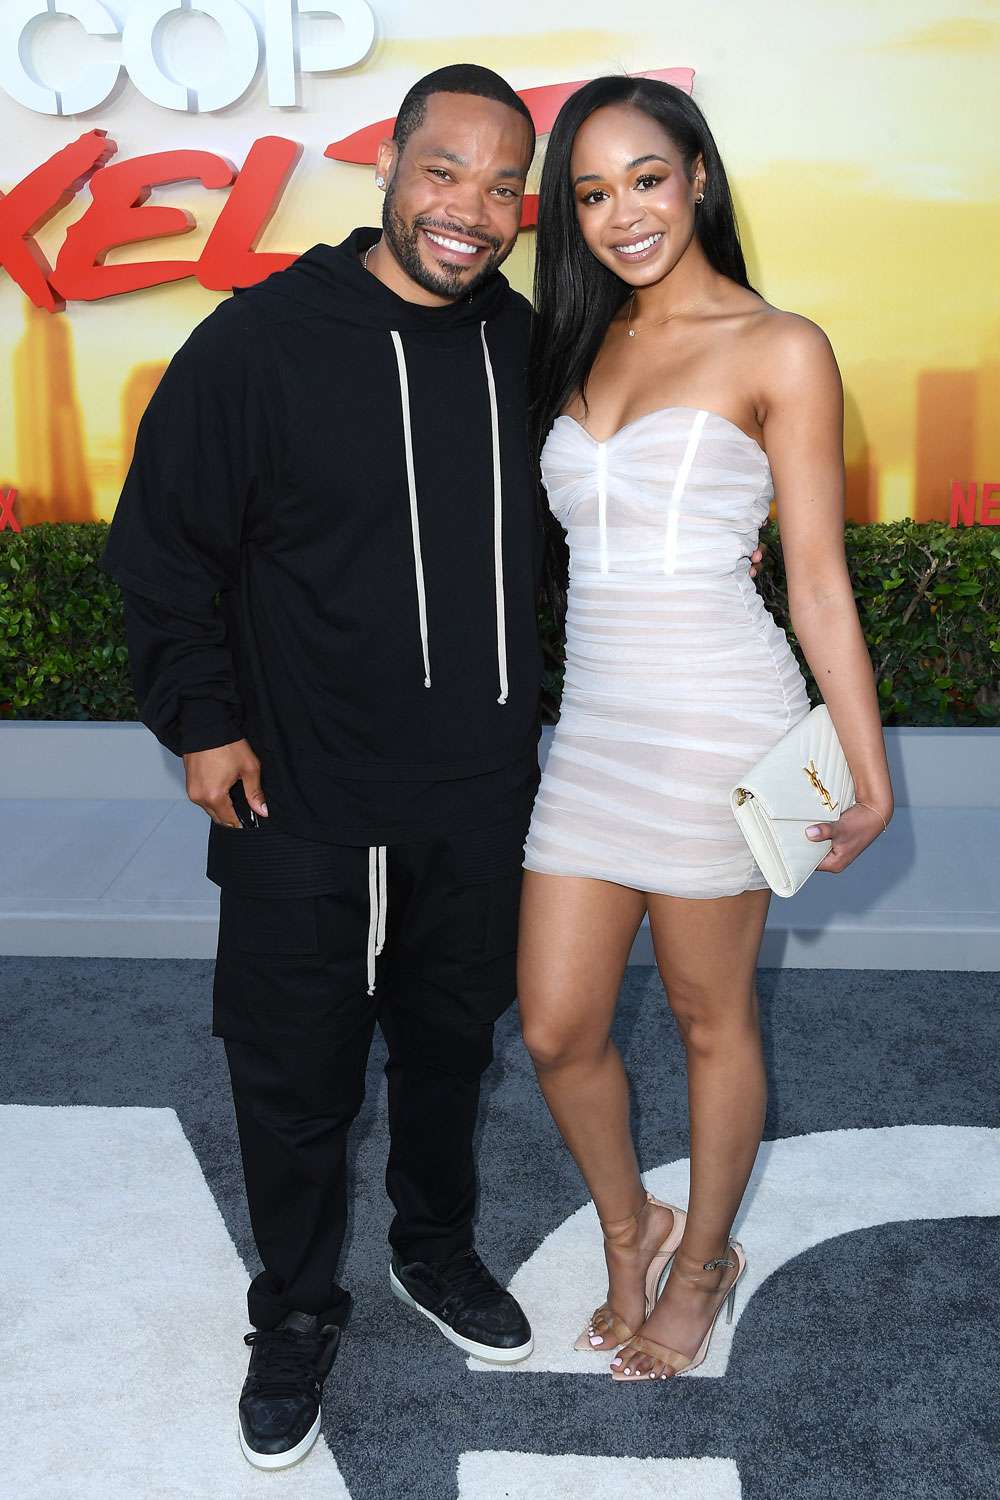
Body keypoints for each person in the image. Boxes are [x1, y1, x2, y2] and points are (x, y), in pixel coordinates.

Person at [100, 64, 547, 1470]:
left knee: (448, 1047)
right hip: (305, 790)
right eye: (443, 172)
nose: (469, 208)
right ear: (388, 170)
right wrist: (198, 720)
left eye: (499, 185)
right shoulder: (261, 342)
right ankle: (293, 1311)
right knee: (293, 1076)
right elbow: (161, 546)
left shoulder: (527, 344)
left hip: (478, 792)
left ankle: (436, 1247)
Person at [517, 76, 894, 1382]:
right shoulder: (572, 341)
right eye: (592, 190)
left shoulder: (779, 346)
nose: (623, 212)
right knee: (558, 1026)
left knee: (709, 1014)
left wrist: (866, 763)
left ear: (699, 180)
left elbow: (818, 584)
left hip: (725, 725)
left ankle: (706, 1258)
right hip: (596, 733)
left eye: (647, 178)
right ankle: (634, 1234)